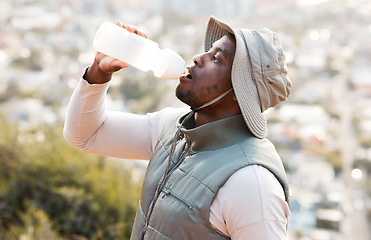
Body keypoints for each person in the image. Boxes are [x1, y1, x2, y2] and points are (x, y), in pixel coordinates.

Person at [64, 15, 292, 240]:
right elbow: (86, 134)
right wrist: (100, 70)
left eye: (216, 59)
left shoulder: (253, 185)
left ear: (239, 92)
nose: (198, 58)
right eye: (208, 51)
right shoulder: (172, 129)